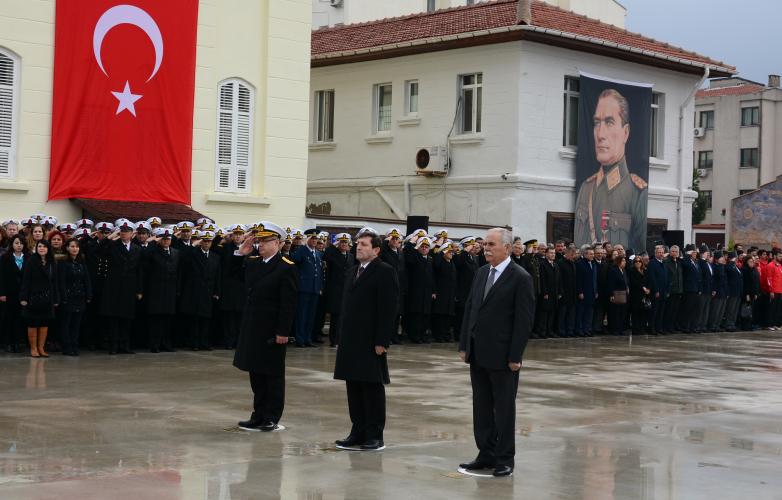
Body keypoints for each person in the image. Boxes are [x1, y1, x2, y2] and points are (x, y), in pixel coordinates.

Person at [457, 228, 535, 477]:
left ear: (508, 248)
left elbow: (523, 321)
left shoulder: (520, 277)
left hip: (503, 357)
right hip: (478, 353)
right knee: (481, 407)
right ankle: (486, 453)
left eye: (491, 244)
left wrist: (515, 356)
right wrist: (464, 345)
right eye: (484, 244)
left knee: (503, 409)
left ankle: (504, 458)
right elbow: (470, 309)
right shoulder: (481, 273)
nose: (485, 248)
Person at [334, 230, 399, 451]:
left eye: (363, 244)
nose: (358, 247)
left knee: (371, 388)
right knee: (353, 385)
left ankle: (374, 435)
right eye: (357, 244)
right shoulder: (353, 271)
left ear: (376, 250)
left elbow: (388, 309)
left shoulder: (385, 271)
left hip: (371, 340)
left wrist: (382, 340)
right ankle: (357, 431)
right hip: (351, 340)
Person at [233, 222, 298, 432]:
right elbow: (233, 278)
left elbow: (288, 304)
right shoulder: (253, 263)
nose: (260, 245)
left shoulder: (286, 267)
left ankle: (271, 416)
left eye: (265, 241)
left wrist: (283, 332)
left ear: (277, 243)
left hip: (272, 330)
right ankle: (258, 414)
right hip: (253, 327)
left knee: (273, 376)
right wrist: (240, 253)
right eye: (258, 240)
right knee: (256, 374)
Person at [574, 89, 648, 251]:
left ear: (625, 132)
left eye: (609, 122)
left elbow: (638, 252)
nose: (600, 134)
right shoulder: (586, 189)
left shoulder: (636, 193)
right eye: (596, 123)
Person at [99, 221, 143, 355]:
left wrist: (139, 290)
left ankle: (125, 346)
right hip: (114, 287)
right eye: (122, 231)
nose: (124, 233)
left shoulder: (137, 248)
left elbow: (139, 270)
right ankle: (113, 346)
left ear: (132, 233)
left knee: (127, 319)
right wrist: (110, 237)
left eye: (127, 231)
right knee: (114, 319)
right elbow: (99, 251)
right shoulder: (112, 246)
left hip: (129, 288)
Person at [179, 230, 221, 350]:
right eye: (205, 241)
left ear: (211, 243)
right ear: (201, 242)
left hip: (208, 292)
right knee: (195, 320)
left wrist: (217, 291)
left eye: (209, 241)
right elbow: (184, 258)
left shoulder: (215, 257)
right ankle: (195, 343)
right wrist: (193, 245)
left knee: (206, 319)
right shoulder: (194, 254)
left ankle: (204, 342)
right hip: (195, 291)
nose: (207, 243)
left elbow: (218, 276)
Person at [144, 228, 181, 352]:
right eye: (163, 239)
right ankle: (154, 344)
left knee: (168, 319)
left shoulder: (175, 252)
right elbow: (145, 256)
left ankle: (166, 344)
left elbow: (178, 272)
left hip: (170, 290)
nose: (166, 241)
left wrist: (177, 289)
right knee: (156, 320)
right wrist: (154, 242)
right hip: (156, 290)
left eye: (168, 239)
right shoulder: (153, 251)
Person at [20, 240, 59, 357]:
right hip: (33, 297)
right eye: (39, 246)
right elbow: (26, 280)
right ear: (36, 248)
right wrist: (23, 297)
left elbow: (55, 282)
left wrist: (56, 298)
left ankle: (41, 348)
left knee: (44, 323)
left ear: (48, 249)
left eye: (44, 246)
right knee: (33, 323)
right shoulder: (32, 261)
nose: (42, 248)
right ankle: (33, 348)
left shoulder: (51, 262)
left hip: (47, 298)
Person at [56, 238, 92, 356]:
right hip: (68, 296)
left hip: (79, 297)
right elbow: (60, 281)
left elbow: (86, 280)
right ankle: (66, 346)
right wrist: (63, 297)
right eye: (72, 246)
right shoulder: (63, 263)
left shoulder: (82, 262)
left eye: (76, 246)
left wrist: (88, 294)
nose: (75, 249)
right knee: (66, 323)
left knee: (76, 323)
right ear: (67, 248)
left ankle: (74, 345)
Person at [291, 229, 324, 347]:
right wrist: (302, 246)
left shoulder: (319, 254)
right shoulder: (302, 251)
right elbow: (294, 260)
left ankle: (307, 338)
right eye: (312, 239)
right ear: (308, 239)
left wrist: (320, 287)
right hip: (303, 288)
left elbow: (320, 272)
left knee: (311, 316)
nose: (315, 241)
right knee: (302, 314)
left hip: (315, 289)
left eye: (316, 239)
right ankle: (300, 339)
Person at [323, 233, 355, 347]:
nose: (344, 244)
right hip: (335, 290)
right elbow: (326, 255)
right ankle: (334, 340)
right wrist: (333, 245)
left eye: (346, 242)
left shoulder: (351, 256)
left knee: (345, 316)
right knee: (336, 317)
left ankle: (342, 338)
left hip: (347, 290)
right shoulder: (333, 254)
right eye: (341, 242)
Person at [404, 235, 434, 344]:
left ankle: (422, 335)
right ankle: (414, 336)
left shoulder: (430, 260)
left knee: (425, 316)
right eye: (422, 246)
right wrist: (411, 243)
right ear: (418, 248)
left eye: (426, 247)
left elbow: (432, 276)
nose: (424, 248)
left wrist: (433, 290)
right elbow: (408, 252)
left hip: (427, 292)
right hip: (416, 291)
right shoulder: (415, 257)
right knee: (416, 315)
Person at [0, 235, 27, 353]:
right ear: (12, 244)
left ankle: (18, 342)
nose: (19, 245)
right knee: (8, 318)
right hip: (9, 294)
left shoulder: (29, 257)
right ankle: (8, 342)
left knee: (20, 318)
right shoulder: (5, 258)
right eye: (16, 243)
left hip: (22, 294)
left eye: (21, 243)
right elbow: (1, 277)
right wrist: (2, 293)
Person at [380, 228, 406, 345]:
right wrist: (386, 241)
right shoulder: (385, 251)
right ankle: (387, 336)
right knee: (388, 314)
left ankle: (394, 335)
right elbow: (380, 253)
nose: (395, 241)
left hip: (398, 287)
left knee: (397, 314)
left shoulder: (400, 252)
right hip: (388, 286)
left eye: (397, 239)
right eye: (393, 239)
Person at [454, 237, 480, 341]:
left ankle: (467, 334)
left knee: (469, 314)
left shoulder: (473, 258)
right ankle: (458, 334)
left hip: (471, 291)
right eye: (472, 246)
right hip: (462, 291)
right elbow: (458, 264)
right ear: (466, 246)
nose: (474, 248)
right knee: (461, 315)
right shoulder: (460, 256)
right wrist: (465, 251)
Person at [431, 241, 457, 342]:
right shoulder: (440, 262)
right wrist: (441, 251)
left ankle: (446, 335)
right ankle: (439, 335)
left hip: (450, 294)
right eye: (449, 252)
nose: (451, 254)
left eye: (452, 252)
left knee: (448, 316)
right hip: (441, 293)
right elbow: (436, 264)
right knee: (440, 316)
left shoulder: (452, 264)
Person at [535, 246, 559, 337]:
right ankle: (543, 331)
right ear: (546, 254)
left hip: (554, 293)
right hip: (547, 294)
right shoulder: (543, 264)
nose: (553, 255)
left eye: (554, 253)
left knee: (552, 313)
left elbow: (558, 279)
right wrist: (545, 292)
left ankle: (550, 331)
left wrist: (559, 291)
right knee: (544, 314)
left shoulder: (555, 265)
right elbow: (542, 280)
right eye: (551, 253)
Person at [575, 245, 598, 337]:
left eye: (593, 254)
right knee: (581, 312)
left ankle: (587, 329)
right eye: (591, 254)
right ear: (585, 254)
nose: (593, 256)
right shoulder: (580, 264)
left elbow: (595, 279)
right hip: (583, 292)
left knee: (589, 313)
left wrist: (596, 291)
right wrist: (580, 292)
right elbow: (579, 279)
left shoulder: (594, 264)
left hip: (592, 292)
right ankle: (579, 330)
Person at [680, 245, 703, 334]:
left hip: (696, 289)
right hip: (689, 289)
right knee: (688, 309)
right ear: (690, 253)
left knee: (695, 310)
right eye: (694, 252)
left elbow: (699, 276)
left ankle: (694, 327)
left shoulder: (696, 262)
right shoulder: (686, 261)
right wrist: (687, 255)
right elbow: (685, 265)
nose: (695, 254)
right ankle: (686, 327)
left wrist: (700, 288)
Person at [647, 245, 669, 335]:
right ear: (655, 253)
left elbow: (666, 278)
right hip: (656, 292)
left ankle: (659, 328)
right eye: (659, 252)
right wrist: (656, 290)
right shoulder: (652, 263)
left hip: (664, 292)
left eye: (662, 253)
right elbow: (652, 278)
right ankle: (652, 329)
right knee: (654, 311)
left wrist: (667, 290)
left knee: (661, 312)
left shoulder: (663, 263)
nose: (661, 254)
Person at [556, 247, 577, 337]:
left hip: (572, 293)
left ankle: (570, 330)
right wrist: (561, 292)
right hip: (564, 293)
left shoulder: (573, 263)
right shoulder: (560, 263)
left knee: (571, 314)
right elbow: (559, 279)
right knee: (562, 314)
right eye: (572, 255)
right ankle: (561, 330)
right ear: (567, 253)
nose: (574, 256)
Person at [606, 255, 628, 336]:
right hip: (616, 294)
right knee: (615, 313)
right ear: (619, 262)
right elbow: (610, 283)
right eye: (623, 261)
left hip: (623, 294)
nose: (625, 262)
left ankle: (620, 329)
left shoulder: (623, 270)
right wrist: (611, 294)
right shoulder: (613, 270)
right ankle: (614, 329)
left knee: (622, 313)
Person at [663, 245, 683, 334]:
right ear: (670, 252)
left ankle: (672, 327)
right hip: (670, 290)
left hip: (678, 290)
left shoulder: (679, 263)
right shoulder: (666, 262)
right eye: (673, 251)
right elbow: (666, 277)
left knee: (675, 310)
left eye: (676, 252)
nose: (675, 253)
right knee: (669, 310)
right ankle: (666, 327)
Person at [628, 256, 650, 335]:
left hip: (644, 295)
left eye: (639, 261)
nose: (638, 262)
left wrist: (648, 289)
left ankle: (642, 329)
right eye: (636, 261)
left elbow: (648, 281)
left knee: (643, 312)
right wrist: (643, 288)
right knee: (635, 313)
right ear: (634, 263)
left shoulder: (645, 270)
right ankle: (636, 329)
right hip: (635, 295)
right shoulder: (632, 271)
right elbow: (633, 282)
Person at [708, 251, 728, 332]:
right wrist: (714, 289)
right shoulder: (715, 267)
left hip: (723, 291)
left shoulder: (723, 267)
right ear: (716, 259)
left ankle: (717, 325)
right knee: (715, 309)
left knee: (721, 310)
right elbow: (715, 279)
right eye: (721, 257)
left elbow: (725, 280)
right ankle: (712, 325)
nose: (723, 259)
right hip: (717, 291)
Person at [723, 251, 743, 332]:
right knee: (730, 309)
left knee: (735, 309)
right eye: (736, 257)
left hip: (738, 291)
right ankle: (728, 324)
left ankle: (732, 323)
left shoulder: (735, 266)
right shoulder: (729, 266)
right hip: (732, 291)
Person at [741, 256, 760, 331]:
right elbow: (746, 283)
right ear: (746, 262)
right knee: (746, 309)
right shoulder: (744, 270)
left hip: (753, 292)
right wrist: (747, 294)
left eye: (752, 261)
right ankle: (745, 325)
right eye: (750, 262)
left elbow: (756, 282)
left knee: (751, 309)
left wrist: (756, 293)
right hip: (747, 293)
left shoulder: (754, 270)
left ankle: (750, 324)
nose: (752, 263)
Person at [766, 250, 782, 330]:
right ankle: (770, 324)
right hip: (774, 290)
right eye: (779, 256)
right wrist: (771, 290)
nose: (781, 257)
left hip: (780, 290)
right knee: (772, 308)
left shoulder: (779, 265)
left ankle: (776, 324)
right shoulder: (770, 265)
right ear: (775, 256)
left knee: (777, 308)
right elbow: (769, 279)